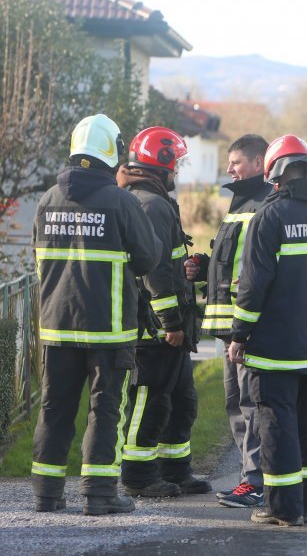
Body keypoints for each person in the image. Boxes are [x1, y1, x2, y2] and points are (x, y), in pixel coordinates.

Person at [31, 114, 161, 515]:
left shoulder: (47, 200)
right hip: (107, 329)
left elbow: (39, 265)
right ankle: (100, 494)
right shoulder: (121, 201)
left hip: (56, 326)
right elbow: (147, 258)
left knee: (55, 407)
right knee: (105, 410)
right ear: (111, 150)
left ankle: (46, 494)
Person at [229, 134, 307, 526]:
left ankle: (283, 510)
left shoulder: (269, 217)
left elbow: (252, 287)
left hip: (276, 351)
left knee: (278, 427)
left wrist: (239, 335)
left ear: (273, 173)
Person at [117, 126, 211, 498]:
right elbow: (154, 272)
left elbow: (167, 261)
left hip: (169, 328)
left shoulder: (154, 201)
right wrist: (170, 322)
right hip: (155, 329)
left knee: (181, 400)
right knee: (151, 399)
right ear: (162, 164)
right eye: (176, 164)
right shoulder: (151, 204)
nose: (178, 172)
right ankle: (139, 476)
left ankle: (175, 471)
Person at [184, 134, 272, 508]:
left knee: (250, 405)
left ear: (257, 162)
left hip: (246, 328)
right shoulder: (241, 202)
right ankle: (247, 478)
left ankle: (256, 481)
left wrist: (244, 330)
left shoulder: (266, 204)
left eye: (235, 162)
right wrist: (205, 268)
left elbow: (259, 270)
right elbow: (232, 262)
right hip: (228, 328)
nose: (229, 168)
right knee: (235, 404)